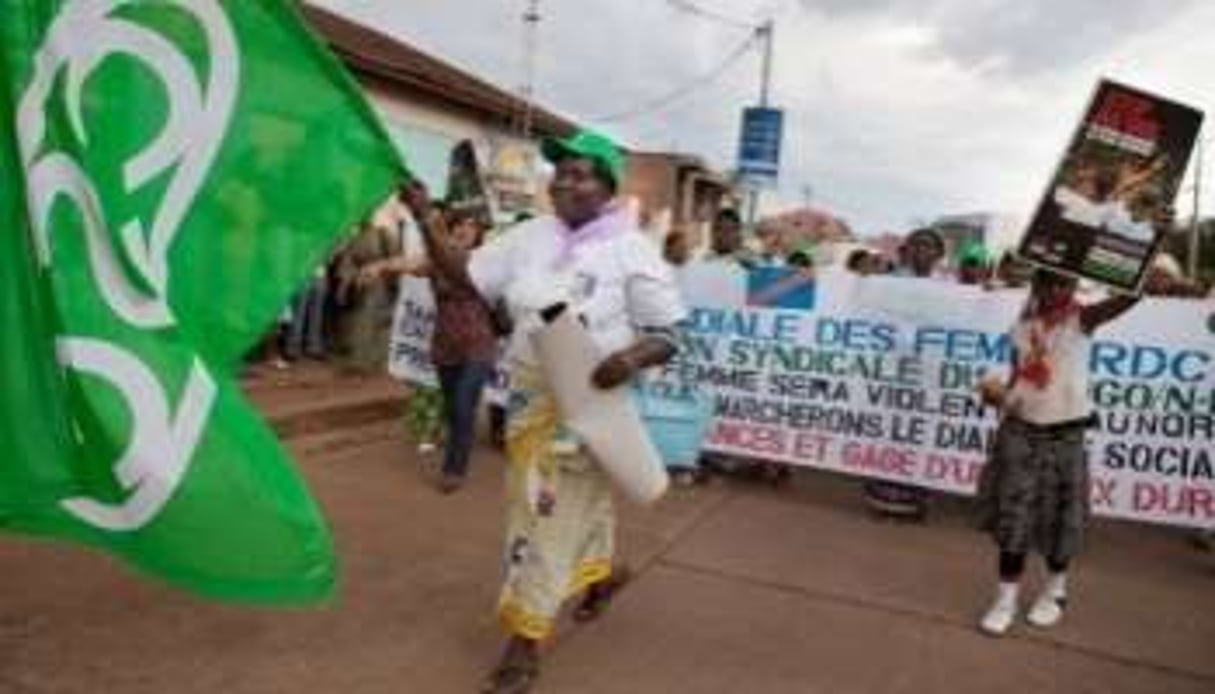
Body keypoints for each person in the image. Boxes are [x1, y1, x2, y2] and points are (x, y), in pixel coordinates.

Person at [404, 130, 685, 693]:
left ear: (606, 188)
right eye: (562, 172)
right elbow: (465, 274)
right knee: (557, 507)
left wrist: (626, 360)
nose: (567, 181)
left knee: (546, 515)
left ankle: (524, 642)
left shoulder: (630, 248)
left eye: (582, 173)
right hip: (532, 397)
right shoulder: (528, 236)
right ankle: (602, 577)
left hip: (592, 400)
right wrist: (424, 217)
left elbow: (668, 334)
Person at [974, 266, 1178, 636]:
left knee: (1059, 520)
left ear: (1074, 285)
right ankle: (1005, 600)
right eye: (1047, 282)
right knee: (1014, 518)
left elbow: (1121, 302)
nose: (1055, 289)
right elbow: (1017, 376)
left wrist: (1143, 284)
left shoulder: (1082, 320)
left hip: (1064, 437)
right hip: (1019, 432)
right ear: (1036, 285)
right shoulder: (1021, 327)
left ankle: (1056, 591)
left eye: (1064, 282)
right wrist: (999, 394)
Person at [862, 227, 948, 519]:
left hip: (926, 373)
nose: (922, 250)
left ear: (939, 254)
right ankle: (882, 499)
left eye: (929, 246)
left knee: (917, 433)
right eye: (917, 245)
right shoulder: (889, 282)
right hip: (891, 369)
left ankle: (914, 501)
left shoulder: (951, 288)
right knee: (888, 430)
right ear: (907, 250)